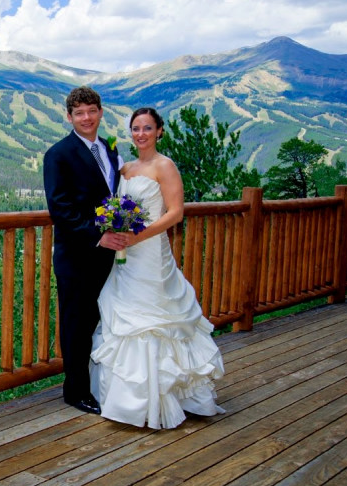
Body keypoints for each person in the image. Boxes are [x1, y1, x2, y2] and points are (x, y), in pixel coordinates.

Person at [89, 107, 225, 429]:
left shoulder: (166, 166)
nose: (141, 134)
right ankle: (127, 401)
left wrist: (137, 236)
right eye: (135, 128)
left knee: (156, 318)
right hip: (126, 257)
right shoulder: (126, 169)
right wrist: (117, 229)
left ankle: (170, 395)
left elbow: (175, 213)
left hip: (151, 253)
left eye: (147, 128)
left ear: (159, 131)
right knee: (125, 317)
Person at [43, 86, 127, 414]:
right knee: (76, 323)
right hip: (77, 255)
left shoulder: (110, 148)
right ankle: (75, 391)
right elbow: (60, 209)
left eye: (92, 111)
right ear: (69, 117)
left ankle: (97, 380)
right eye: (79, 113)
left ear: (101, 112)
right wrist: (97, 235)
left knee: (100, 318)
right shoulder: (58, 154)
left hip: (109, 253)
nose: (87, 117)